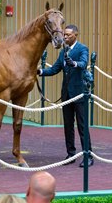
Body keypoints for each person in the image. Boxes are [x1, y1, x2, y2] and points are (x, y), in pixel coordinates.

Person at [37, 24, 93, 167]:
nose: (65, 37)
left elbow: (83, 63)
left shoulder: (82, 49)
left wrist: (73, 63)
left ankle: (88, 155)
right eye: (65, 34)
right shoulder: (63, 52)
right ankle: (71, 154)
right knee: (68, 126)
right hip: (66, 95)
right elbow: (55, 69)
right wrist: (40, 72)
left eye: (68, 35)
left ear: (76, 35)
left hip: (79, 94)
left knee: (82, 126)